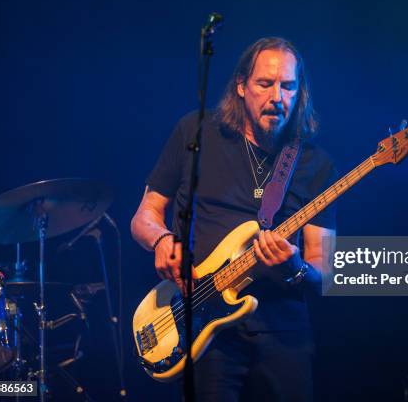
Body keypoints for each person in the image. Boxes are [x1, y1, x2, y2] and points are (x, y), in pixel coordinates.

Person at [131, 37, 337, 401]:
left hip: (283, 334)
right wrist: (162, 240)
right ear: (241, 86)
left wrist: (296, 267)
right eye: (265, 84)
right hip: (206, 332)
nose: (277, 97)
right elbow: (145, 215)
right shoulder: (196, 132)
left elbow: (328, 273)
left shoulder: (315, 164)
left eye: (288, 86)